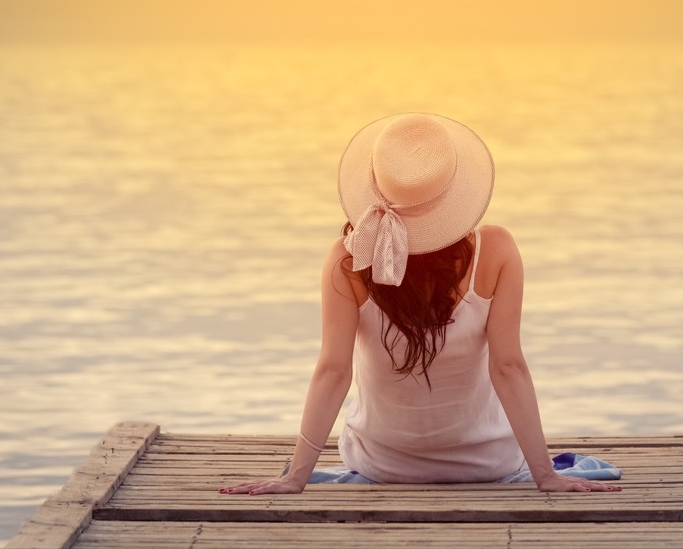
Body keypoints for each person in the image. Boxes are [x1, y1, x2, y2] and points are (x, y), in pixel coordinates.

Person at [219, 113, 621, 496]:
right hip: (486, 463)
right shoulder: (496, 250)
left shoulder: (348, 260)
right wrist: (546, 475)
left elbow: (332, 371)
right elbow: (508, 366)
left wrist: (296, 478)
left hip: (383, 465)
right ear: (455, 190)